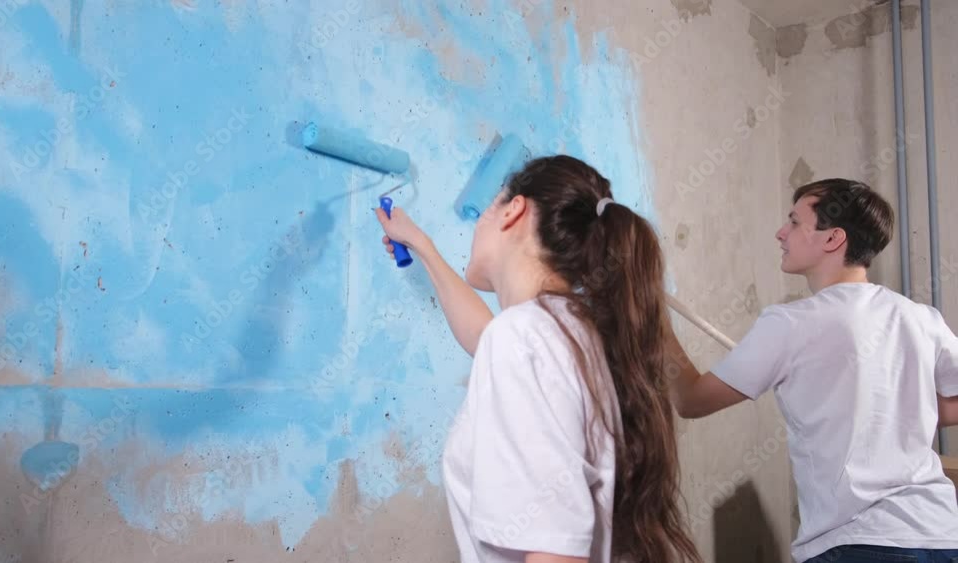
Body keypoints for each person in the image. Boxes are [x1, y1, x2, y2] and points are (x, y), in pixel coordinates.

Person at [375, 155, 701, 563]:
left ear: (514, 211)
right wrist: (423, 247)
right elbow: (486, 335)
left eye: (488, 208)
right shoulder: (569, 331)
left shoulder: (524, 337)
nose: (478, 224)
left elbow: (555, 552)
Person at [665, 178, 958, 563]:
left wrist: (654, 320)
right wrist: (890, 409)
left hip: (857, 546)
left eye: (795, 222)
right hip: (941, 537)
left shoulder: (791, 323)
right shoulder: (920, 318)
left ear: (833, 238)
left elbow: (691, 400)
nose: (780, 233)